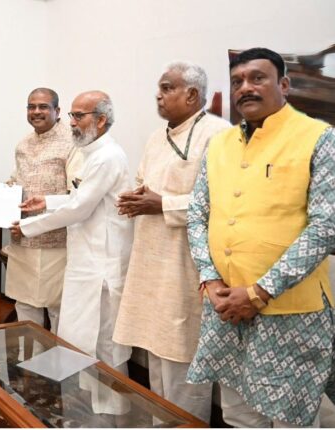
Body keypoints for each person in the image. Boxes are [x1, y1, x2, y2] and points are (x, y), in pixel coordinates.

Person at [186, 47, 335, 427]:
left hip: (289, 310)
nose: (245, 87)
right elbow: (197, 215)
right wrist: (210, 279)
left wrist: (258, 293)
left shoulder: (319, 138)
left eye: (257, 78)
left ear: (283, 85)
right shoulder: (219, 145)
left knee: (289, 418)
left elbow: (326, 227)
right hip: (225, 305)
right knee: (238, 414)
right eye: (237, 81)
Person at [112, 62, 230, 423]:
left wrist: (162, 204)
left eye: (166, 88)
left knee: (183, 359)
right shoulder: (156, 137)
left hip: (186, 266)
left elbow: (223, 201)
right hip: (151, 260)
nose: (158, 96)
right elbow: (143, 182)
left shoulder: (218, 134)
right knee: (156, 358)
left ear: (191, 94)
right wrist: (136, 198)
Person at [10, 91, 132, 372]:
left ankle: (112, 401)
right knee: (79, 340)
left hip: (100, 266)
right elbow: (81, 197)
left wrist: (27, 227)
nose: (72, 122)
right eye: (72, 115)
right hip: (84, 260)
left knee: (103, 345)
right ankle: (83, 398)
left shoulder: (107, 157)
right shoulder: (92, 153)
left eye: (79, 116)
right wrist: (47, 202)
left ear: (100, 120)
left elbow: (79, 208)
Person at [5, 87, 82, 334]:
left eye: (43, 107)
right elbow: (16, 181)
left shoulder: (73, 142)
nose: (36, 111)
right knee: (24, 304)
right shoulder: (23, 144)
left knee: (57, 307)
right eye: (31, 107)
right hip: (22, 239)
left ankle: (57, 358)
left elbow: (78, 194)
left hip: (57, 241)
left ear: (57, 111)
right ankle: (27, 357)